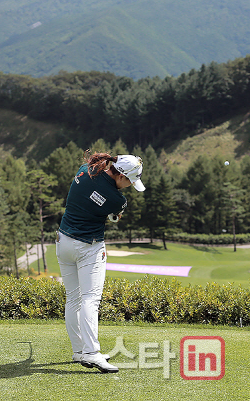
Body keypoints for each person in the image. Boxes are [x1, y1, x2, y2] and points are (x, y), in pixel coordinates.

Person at [56, 151, 145, 373]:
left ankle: (80, 351)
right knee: (90, 300)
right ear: (122, 176)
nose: (129, 186)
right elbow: (114, 214)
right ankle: (92, 353)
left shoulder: (84, 170)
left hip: (63, 241)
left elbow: (91, 195)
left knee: (73, 298)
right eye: (130, 182)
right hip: (88, 246)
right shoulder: (118, 199)